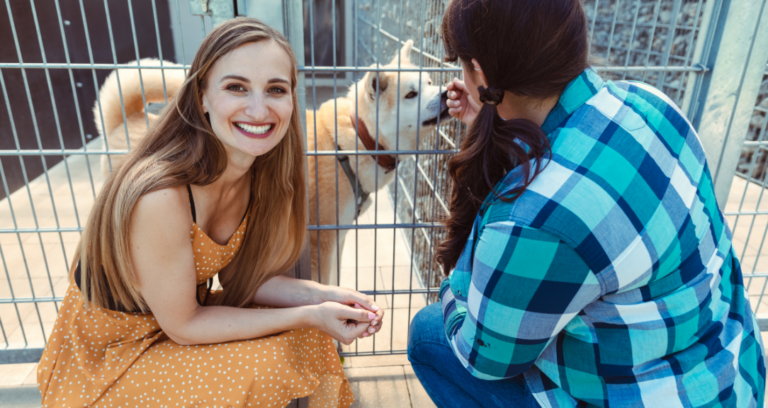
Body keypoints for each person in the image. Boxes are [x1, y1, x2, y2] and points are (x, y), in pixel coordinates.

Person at [407, 0, 765, 407]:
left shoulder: (532, 218)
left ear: (481, 74)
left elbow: (485, 357)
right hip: (732, 377)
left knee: (429, 334)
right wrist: (493, 121)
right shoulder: (652, 105)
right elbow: (574, 162)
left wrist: (451, 290)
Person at [37, 18, 384, 408]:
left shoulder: (256, 174)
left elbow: (243, 279)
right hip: (109, 357)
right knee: (271, 361)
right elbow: (185, 325)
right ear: (201, 96)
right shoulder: (162, 196)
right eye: (236, 87)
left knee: (309, 335)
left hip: (170, 325)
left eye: (276, 89)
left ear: (292, 99)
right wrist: (309, 315)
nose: (259, 108)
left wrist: (328, 297)